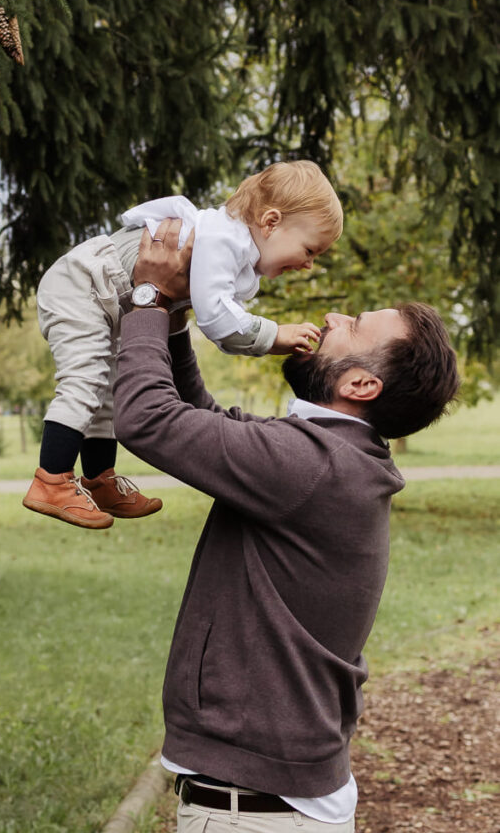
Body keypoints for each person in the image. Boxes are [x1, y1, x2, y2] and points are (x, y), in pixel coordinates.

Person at [113, 219, 460, 833]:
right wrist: (174, 315)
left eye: (352, 325)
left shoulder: (311, 465)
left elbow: (148, 419)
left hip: (253, 813)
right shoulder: (333, 458)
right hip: (277, 803)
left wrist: (147, 296)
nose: (331, 317)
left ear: (360, 384)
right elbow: (203, 418)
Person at [23, 161, 343, 530]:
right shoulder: (223, 240)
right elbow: (217, 318)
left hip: (104, 299)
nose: (309, 265)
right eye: (309, 249)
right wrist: (273, 335)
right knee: (85, 380)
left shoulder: (237, 252)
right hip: (81, 286)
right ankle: (51, 480)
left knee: (107, 389)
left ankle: (99, 479)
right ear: (271, 222)